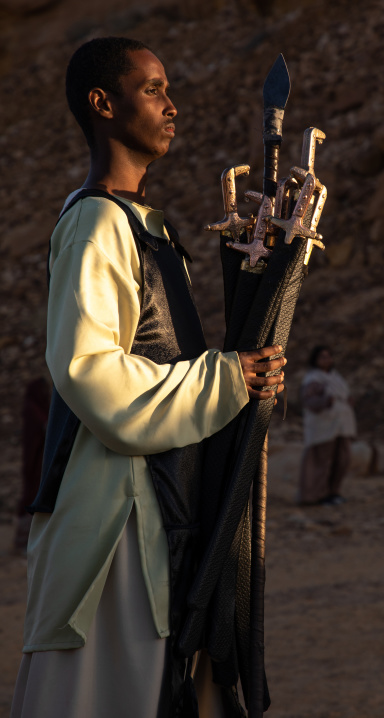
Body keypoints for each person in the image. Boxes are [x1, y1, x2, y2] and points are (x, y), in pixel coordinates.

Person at [10, 37, 286, 718]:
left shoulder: (142, 225)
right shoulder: (96, 223)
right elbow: (90, 371)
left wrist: (245, 376)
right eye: (154, 89)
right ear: (103, 104)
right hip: (119, 515)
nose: (173, 105)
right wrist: (226, 381)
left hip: (167, 500)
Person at [298, 345, 356, 506]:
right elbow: (308, 400)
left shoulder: (336, 377)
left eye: (328, 356)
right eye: (322, 357)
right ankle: (315, 495)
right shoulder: (313, 379)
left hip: (342, 423)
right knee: (321, 461)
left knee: (342, 459)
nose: (326, 360)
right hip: (323, 424)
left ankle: (333, 492)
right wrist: (325, 402)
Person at [12, 377, 50, 554]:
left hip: (40, 460)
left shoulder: (38, 408)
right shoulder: (32, 409)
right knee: (32, 494)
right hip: (36, 460)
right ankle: (24, 542)